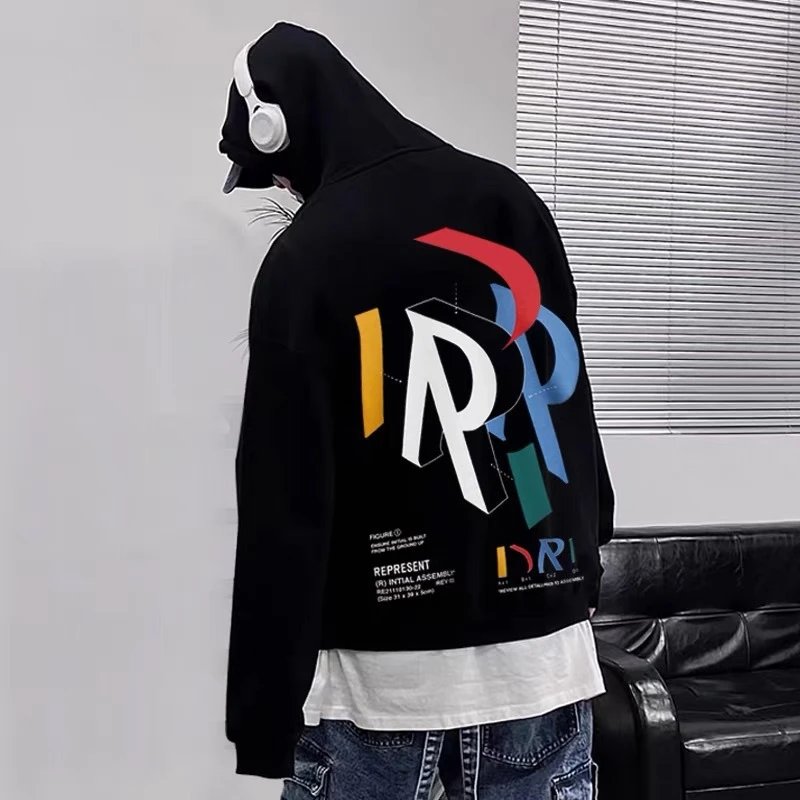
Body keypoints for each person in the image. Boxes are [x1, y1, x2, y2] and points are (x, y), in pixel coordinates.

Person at [219, 22, 614, 800]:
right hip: (543, 666)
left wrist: (263, 717)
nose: (287, 191)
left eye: (277, 175)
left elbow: (284, 504)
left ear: (279, 130)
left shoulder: (306, 259)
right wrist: (585, 545)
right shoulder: (509, 200)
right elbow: (559, 396)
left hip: (382, 694)